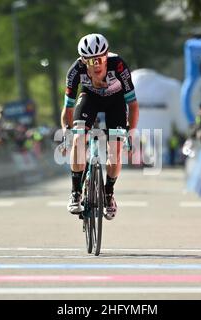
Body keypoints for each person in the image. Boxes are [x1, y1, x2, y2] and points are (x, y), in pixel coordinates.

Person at [61, 33, 139, 220]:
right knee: (79, 139)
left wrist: (131, 132)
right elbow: (68, 108)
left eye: (99, 59)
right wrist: (66, 131)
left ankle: (109, 193)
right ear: (83, 61)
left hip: (116, 102)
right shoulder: (75, 71)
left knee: (116, 148)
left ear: (106, 56)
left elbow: (133, 105)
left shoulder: (119, 65)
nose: (95, 65)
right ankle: (76, 192)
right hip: (90, 98)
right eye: (90, 61)